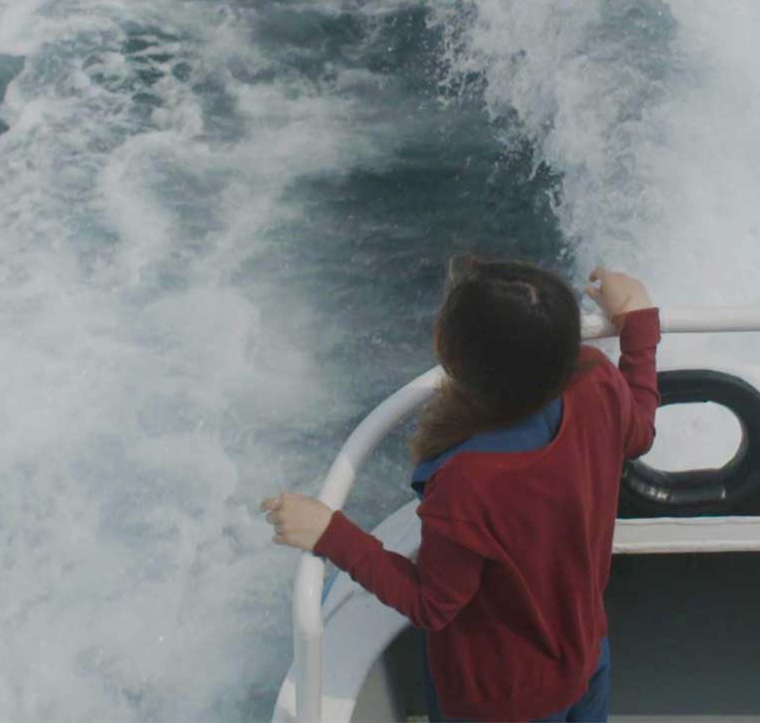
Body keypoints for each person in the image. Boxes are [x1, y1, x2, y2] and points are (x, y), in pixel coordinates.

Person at [263, 258, 660, 722]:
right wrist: (638, 322)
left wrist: (330, 532)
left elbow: (431, 604)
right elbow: (642, 430)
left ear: (459, 364)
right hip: (587, 659)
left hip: (500, 704)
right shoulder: (597, 380)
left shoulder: (469, 482)